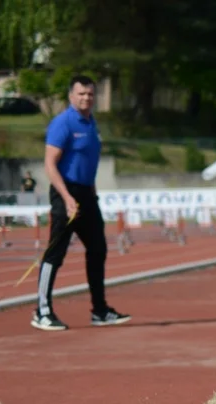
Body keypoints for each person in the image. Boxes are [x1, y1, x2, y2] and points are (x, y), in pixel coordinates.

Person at [33, 75, 130, 332]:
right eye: (81, 94)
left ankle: (99, 309)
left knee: (98, 249)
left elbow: (87, 163)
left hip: (87, 194)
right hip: (66, 192)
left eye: (90, 94)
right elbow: (50, 165)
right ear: (70, 96)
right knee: (56, 252)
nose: (86, 98)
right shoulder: (63, 123)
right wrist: (66, 198)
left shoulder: (91, 123)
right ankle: (42, 310)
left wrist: (92, 194)